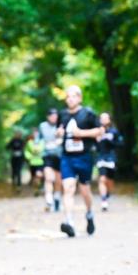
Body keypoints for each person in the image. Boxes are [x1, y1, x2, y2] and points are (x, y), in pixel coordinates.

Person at [55, 86, 104, 237]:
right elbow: (59, 133)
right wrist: (59, 134)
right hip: (67, 157)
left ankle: (89, 214)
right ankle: (69, 222)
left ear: (80, 98)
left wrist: (81, 133)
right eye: (68, 97)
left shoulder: (87, 113)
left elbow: (100, 131)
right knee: (68, 187)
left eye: (74, 96)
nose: (70, 99)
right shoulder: (62, 114)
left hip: (84, 156)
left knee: (84, 190)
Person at [96, 112, 123, 211]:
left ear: (109, 119)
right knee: (102, 179)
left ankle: (107, 194)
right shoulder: (96, 131)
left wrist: (110, 140)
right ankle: (103, 200)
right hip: (100, 157)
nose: (103, 120)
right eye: (101, 118)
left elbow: (120, 143)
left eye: (105, 118)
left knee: (110, 180)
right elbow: (92, 145)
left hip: (111, 157)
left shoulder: (114, 131)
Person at [38, 108, 63, 212]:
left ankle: (57, 198)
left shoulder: (61, 125)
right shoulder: (42, 126)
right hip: (47, 155)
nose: (54, 118)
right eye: (52, 116)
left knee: (58, 180)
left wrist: (61, 139)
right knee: (49, 178)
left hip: (60, 155)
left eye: (56, 116)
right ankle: (49, 198)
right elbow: (38, 139)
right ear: (48, 117)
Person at [24, 128, 45, 195]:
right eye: (34, 133)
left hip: (40, 162)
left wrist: (43, 155)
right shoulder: (29, 142)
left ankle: (39, 186)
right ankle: (36, 189)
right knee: (34, 177)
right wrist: (29, 157)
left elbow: (43, 150)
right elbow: (26, 151)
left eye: (36, 133)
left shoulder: (42, 142)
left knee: (39, 175)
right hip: (32, 162)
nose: (35, 134)